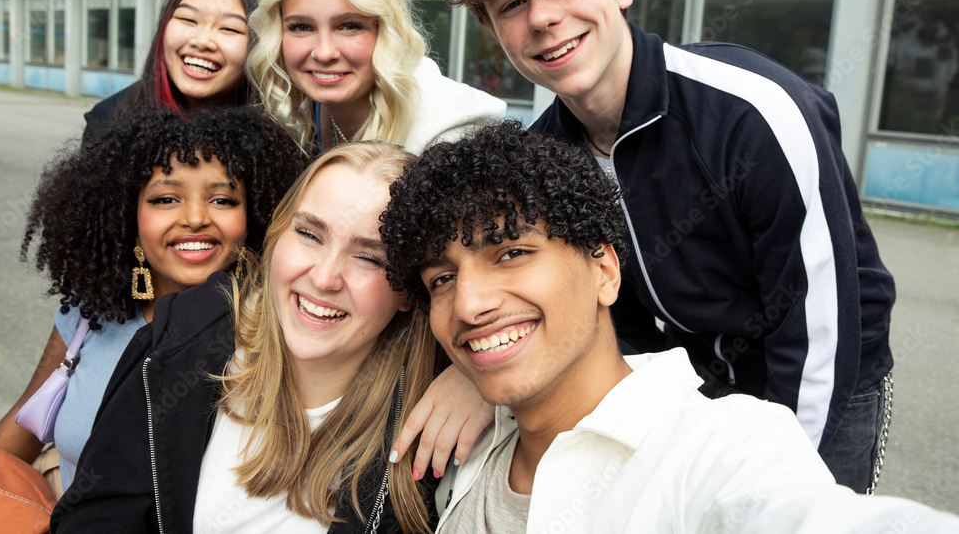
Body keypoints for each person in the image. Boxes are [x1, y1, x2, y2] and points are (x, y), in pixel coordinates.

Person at [441, 0, 896, 492]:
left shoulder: (752, 111)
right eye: (511, 5)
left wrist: (781, 485)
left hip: (826, 375)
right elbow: (605, 315)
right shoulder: (544, 157)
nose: (543, 17)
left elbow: (822, 329)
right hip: (697, 375)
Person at [379, 122, 959, 533]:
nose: (470, 303)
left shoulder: (716, 447)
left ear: (605, 271)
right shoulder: (466, 448)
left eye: (511, 253)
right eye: (442, 279)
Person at [50, 141, 490, 533]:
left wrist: (483, 384)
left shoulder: (430, 425)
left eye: (369, 258)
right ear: (278, 236)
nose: (323, 277)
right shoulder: (181, 343)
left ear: (410, 294)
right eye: (308, 234)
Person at [0, 107, 309, 496]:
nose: (194, 218)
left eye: (223, 200)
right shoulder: (90, 314)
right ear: (128, 215)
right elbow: (16, 439)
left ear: (255, 215)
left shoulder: (279, 334)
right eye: (166, 198)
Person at [248, 0, 506, 155]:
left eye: (350, 26)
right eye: (301, 27)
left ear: (385, 29)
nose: (324, 52)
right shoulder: (299, 108)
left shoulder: (450, 134)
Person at [83, 0, 264, 144]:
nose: (201, 41)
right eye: (188, 19)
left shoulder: (275, 130)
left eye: (229, 28)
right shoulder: (108, 121)